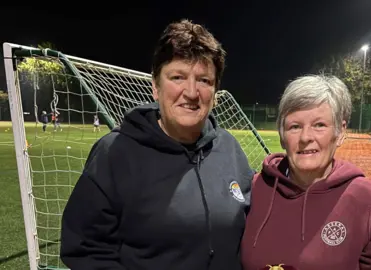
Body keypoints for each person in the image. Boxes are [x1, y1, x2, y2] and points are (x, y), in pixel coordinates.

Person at [60, 19, 254, 270]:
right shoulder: (115, 153)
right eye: (178, 77)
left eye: (204, 80)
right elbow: (84, 249)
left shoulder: (229, 148)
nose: (192, 92)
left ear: (215, 90)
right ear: (155, 86)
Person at [241, 74, 371, 270]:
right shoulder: (254, 189)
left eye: (319, 125)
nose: (305, 137)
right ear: (282, 135)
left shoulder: (369, 200)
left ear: (341, 132)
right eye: (294, 126)